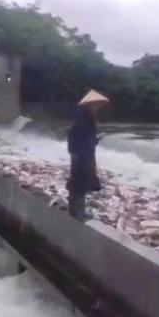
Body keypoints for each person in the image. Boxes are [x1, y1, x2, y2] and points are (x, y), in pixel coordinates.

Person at [66, 90, 109, 220]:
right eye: (97, 105)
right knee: (79, 183)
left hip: (83, 153)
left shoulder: (86, 117)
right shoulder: (83, 118)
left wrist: (95, 140)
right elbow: (75, 136)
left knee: (80, 182)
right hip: (81, 154)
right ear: (91, 104)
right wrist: (77, 152)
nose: (99, 108)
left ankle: (77, 210)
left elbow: (85, 138)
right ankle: (76, 212)